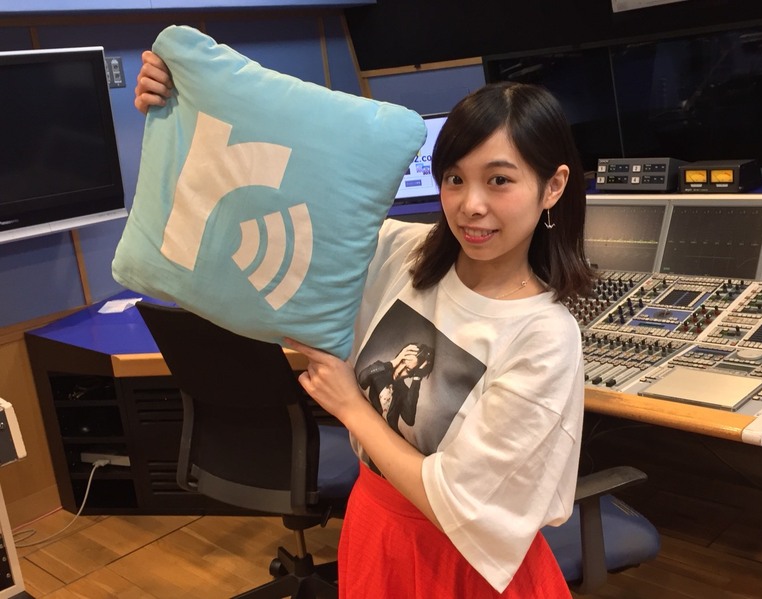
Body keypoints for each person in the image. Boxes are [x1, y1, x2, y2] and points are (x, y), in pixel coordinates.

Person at [135, 51, 594, 597]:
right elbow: (262, 190)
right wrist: (184, 102)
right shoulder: (403, 253)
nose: (470, 204)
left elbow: (463, 506)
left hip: (464, 567)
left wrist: (350, 405)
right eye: (454, 178)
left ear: (553, 186)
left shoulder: (544, 338)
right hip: (374, 525)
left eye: (499, 180)